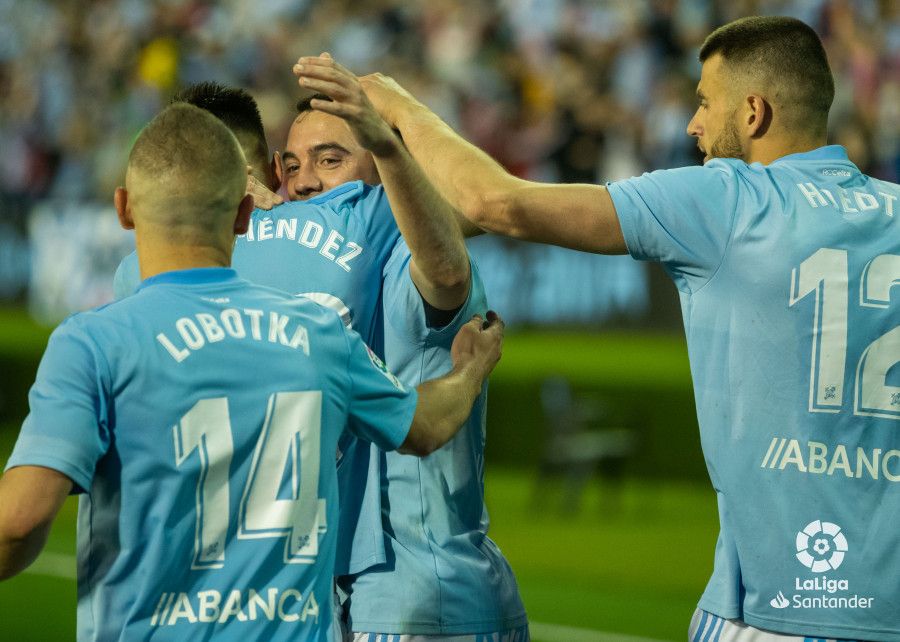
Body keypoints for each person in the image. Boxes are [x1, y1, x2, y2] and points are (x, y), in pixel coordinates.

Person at [299, 15, 900, 641]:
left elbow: (495, 202)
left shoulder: (725, 200)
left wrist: (397, 106)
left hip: (775, 609)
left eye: (703, 102)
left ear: (752, 113)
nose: (692, 125)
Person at [0, 103, 504, 642]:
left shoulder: (93, 341)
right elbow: (424, 425)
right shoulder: (320, 332)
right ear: (247, 211)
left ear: (124, 210)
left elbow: (18, 524)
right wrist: (471, 370)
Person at [291, 64, 528, 641]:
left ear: (384, 169)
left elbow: (446, 273)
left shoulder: (405, 264)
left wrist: (389, 143)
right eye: (291, 165)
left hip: (426, 595)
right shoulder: (301, 280)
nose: (304, 182)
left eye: (330, 160)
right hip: (352, 594)